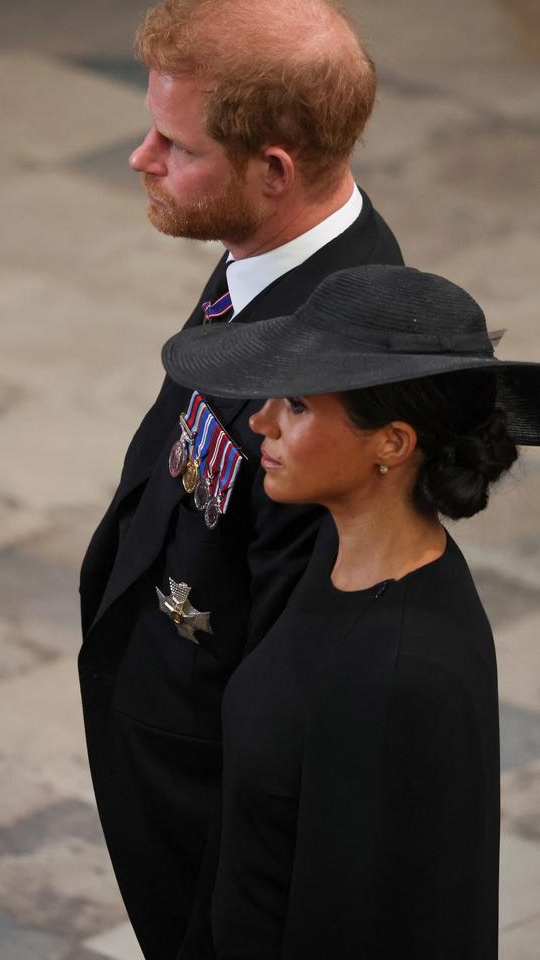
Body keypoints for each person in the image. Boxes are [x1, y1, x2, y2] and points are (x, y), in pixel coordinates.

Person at [79, 0, 403, 959]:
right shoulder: (270, 254)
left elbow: (300, 693)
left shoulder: (336, 383)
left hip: (212, 820)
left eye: (176, 147)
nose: (140, 159)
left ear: (272, 169)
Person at [161, 263, 540, 959]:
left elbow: (362, 927)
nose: (262, 421)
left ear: (392, 444)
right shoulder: (335, 561)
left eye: (299, 406)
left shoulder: (400, 674)